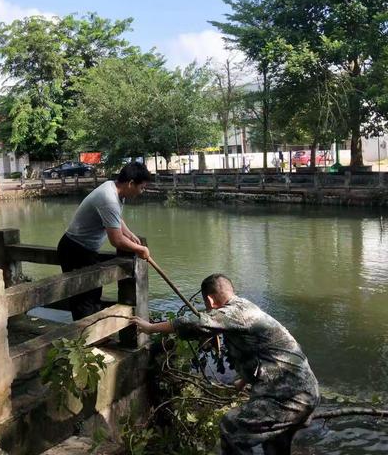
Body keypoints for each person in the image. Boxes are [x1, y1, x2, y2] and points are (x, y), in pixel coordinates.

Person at [131, 274, 319, 455]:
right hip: (303, 390)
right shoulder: (245, 309)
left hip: (289, 395)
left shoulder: (234, 313)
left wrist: (150, 327)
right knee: (275, 443)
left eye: (208, 306)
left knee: (231, 428)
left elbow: (195, 323)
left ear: (211, 301)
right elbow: (260, 354)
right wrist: (243, 381)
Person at [57, 162, 151, 320]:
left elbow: (116, 218)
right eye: (141, 187)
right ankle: (84, 340)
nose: (141, 192)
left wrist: (128, 232)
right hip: (75, 249)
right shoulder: (109, 198)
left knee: (94, 294)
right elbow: (116, 241)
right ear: (131, 183)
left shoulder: (114, 189)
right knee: (83, 299)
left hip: (85, 250)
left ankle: (93, 335)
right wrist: (140, 250)